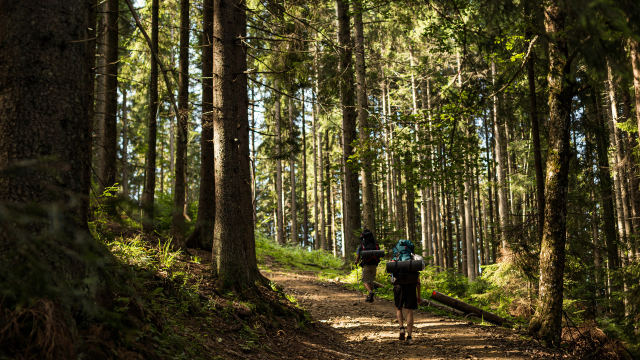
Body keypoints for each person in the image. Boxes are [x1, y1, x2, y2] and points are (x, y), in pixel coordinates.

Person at [390, 239, 422, 345]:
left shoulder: (396, 258)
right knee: (409, 312)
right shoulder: (413, 259)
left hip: (398, 286)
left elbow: (392, 277)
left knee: (399, 309)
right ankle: (409, 337)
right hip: (411, 287)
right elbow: (417, 280)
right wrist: (419, 295)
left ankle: (401, 328)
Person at [354, 228, 380, 302]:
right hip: (374, 265)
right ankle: (369, 297)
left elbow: (358, 256)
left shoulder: (362, 245)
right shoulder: (375, 244)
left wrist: (356, 262)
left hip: (366, 265)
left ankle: (370, 292)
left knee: (365, 281)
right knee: (371, 281)